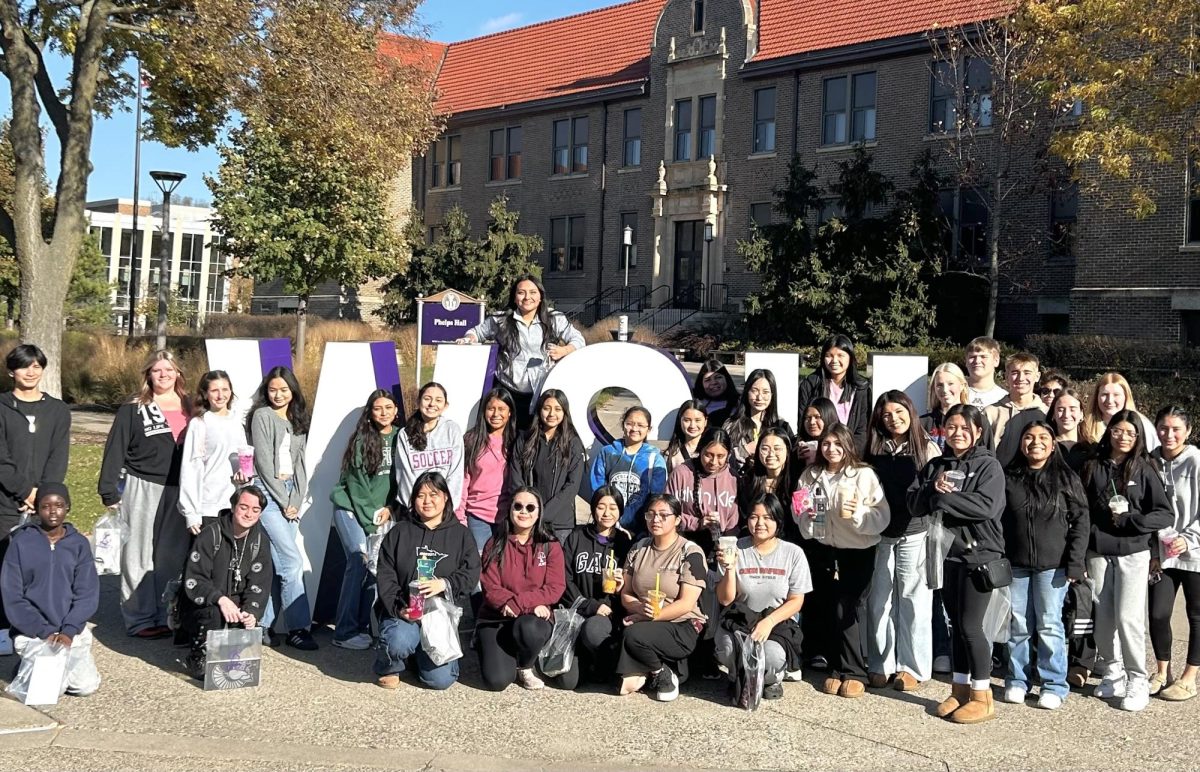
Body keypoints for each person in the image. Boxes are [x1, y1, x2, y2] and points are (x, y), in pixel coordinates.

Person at [908, 404, 1005, 724]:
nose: (958, 433)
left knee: (971, 627)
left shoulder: (989, 466)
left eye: (965, 428)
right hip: (947, 554)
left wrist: (942, 499)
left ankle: (983, 695)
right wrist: (931, 490)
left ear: (978, 432)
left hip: (980, 555)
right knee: (955, 626)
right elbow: (914, 503)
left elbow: (986, 506)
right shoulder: (937, 465)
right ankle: (960, 689)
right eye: (952, 427)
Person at [1081, 409, 1172, 712]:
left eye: (1130, 433)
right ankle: (1113, 670)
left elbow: (1163, 513)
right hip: (1098, 552)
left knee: (1128, 619)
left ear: (1138, 438)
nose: (1123, 437)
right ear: (1109, 432)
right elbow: (1083, 511)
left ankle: (1137, 679)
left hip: (1133, 552)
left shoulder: (1144, 468)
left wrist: (1134, 520)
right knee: (1103, 620)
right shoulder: (1093, 466)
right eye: (1117, 431)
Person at [98, 350, 190, 639]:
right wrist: (108, 489)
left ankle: (165, 614)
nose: (163, 375)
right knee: (138, 552)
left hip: (180, 488)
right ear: (148, 375)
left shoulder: (191, 406)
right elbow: (115, 448)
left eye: (169, 370)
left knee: (171, 556)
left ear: (178, 373)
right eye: (157, 370)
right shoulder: (135, 407)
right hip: (142, 484)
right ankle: (139, 617)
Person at [795, 424, 889, 698]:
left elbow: (882, 517)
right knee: (827, 607)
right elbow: (799, 511)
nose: (831, 449)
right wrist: (808, 519)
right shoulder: (809, 476)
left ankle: (855, 671)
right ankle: (836, 668)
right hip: (824, 550)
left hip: (857, 550)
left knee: (849, 608)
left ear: (848, 445)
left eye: (838, 444)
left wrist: (858, 513)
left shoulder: (864, 475)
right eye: (826, 444)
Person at [1001, 422, 1089, 711]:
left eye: (1042, 438)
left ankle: (1054, 684)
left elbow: (1080, 522)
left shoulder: (1066, 478)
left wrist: (1075, 563)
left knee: (1049, 625)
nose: (1035, 442)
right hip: (1015, 565)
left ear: (1053, 445)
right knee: (1018, 625)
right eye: (1028, 437)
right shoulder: (1008, 477)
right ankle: (1017, 680)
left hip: (1054, 567)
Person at [374, 472, 480, 690]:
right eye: (420, 496)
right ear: (413, 500)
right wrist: (398, 607)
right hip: (405, 613)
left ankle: (416, 657)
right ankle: (390, 664)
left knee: (440, 681)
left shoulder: (461, 535)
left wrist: (445, 583)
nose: (427, 501)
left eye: (434, 494)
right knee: (399, 641)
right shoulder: (400, 532)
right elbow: (385, 575)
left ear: (446, 498)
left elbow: (471, 573)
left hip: (439, 615)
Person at [864, 391, 940, 692]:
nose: (893, 419)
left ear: (911, 412)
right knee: (879, 601)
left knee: (913, 601)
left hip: (915, 532)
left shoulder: (928, 449)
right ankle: (881, 664)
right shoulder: (872, 448)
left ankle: (912, 667)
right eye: (886, 414)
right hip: (880, 533)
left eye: (899, 412)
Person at [0, 344, 70, 656]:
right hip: (5, 501)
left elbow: (58, 458)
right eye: (24, 366)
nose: (31, 372)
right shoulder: (2, 406)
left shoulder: (57, 410)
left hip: (43, 505)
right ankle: (2, 630)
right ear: (11, 371)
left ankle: (33, 629)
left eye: (36, 366)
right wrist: (25, 491)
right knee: (4, 568)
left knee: (37, 570)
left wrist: (42, 497)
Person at [1, 483, 99, 697]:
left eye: (59, 505)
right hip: (35, 632)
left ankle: (45, 668)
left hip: (70, 632)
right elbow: (13, 596)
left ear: (68, 508)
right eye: (46, 506)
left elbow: (87, 593)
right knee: (48, 692)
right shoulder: (21, 542)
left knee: (85, 687)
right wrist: (44, 631)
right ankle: (25, 666)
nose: (53, 511)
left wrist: (69, 630)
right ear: (36, 510)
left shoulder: (79, 544)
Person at [457, 274, 586, 426]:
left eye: (532, 292)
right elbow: (476, 333)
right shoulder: (501, 319)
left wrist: (564, 350)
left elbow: (579, 340)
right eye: (521, 292)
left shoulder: (554, 318)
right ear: (514, 297)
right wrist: (468, 339)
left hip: (541, 389)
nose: (527, 297)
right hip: (508, 389)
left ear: (540, 296)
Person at [246, 366, 315, 651]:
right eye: (273, 389)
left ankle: (263, 625)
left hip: (289, 496)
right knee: (292, 561)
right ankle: (299, 628)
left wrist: (297, 499)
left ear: (293, 391)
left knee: (277, 563)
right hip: (268, 495)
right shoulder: (262, 416)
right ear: (266, 391)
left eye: (284, 389)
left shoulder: (297, 419)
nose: (278, 394)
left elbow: (299, 463)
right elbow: (263, 463)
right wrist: (284, 502)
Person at [715, 493, 809, 702]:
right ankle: (737, 675)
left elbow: (796, 600)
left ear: (778, 521)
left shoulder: (793, 553)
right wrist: (729, 568)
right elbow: (725, 600)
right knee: (728, 650)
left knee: (772, 656)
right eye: (754, 517)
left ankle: (771, 678)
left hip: (776, 623)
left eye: (767, 518)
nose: (760, 523)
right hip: (740, 620)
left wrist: (769, 622)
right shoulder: (735, 548)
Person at [617, 494, 707, 702]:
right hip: (643, 619)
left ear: (677, 520)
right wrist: (639, 608)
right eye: (651, 514)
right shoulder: (639, 548)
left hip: (680, 623)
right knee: (622, 685)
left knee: (633, 635)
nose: (655, 520)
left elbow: (687, 603)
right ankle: (648, 671)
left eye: (663, 515)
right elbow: (626, 593)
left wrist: (649, 617)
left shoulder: (690, 551)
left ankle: (660, 673)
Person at [329, 389, 400, 650]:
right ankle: (344, 631)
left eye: (388, 407)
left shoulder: (399, 438)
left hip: (382, 513)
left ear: (396, 410)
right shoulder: (361, 440)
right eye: (377, 408)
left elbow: (400, 482)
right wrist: (372, 522)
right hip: (351, 509)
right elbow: (356, 486)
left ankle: (360, 627)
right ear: (370, 413)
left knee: (373, 568)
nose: (383, 412)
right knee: (358, 561)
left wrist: (391, 509)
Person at [178, 486, 273, 680]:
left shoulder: (260, 541)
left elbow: (260, 583)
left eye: (255, 510)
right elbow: (194, 579)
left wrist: (252, 612)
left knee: (247, 622)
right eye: (244, 507)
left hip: (236, 605)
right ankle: (197, 655)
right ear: (233, 507)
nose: (249, 514)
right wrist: (220, 599)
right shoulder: (210, 535)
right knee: (215, 613)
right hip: (203, 603)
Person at [477, 487, 566, 691]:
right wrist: (515, 603)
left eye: (530, 507)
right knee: (497, 681)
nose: (523, 512)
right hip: (497, 617)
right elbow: (490, 586)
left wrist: (519, 603)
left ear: (539, 512)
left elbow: (555, 587)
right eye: (518, 506)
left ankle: (525, 665)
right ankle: (493, 647)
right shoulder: (495, 543)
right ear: (509, 510)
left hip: (530, 620)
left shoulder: (550, 545)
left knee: (528, 628)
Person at [557, 486, 634, 689]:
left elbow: (632, 584)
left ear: (620, 511)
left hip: (607, 614)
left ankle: (602, 664)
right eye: (601, 507)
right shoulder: (577, 536)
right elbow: (564, 578)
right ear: (592, 509)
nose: (607, 513)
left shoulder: (624, 542)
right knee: (568, 682)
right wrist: (589, 606)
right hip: (578, 610)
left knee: (594, 630)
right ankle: (585, 658)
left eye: (613, 507)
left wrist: (620, 586)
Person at [1149, 406, 1200, 701]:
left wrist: (1190, 538)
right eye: (1164, 428)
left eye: (1176, 429)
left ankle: (1189, 678)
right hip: (1162, 553)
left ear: (1188, 431)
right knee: (1157, 613)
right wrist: (1153, 547)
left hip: (1193, 551)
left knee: (1196, 615)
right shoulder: (1151, 460)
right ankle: (1161, 671)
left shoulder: (1195, 461)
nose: (1169, 434)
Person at [508, 389, 585, 543]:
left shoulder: (573, 443)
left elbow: (572, 486)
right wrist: (530, 510)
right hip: (527, 518)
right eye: (546, 408)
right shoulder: (525, 439)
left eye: (557, 409)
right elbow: (516, 476)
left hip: (559, 523)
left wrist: (543, 514)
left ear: (565, 412)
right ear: (539, 410)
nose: (551, 414)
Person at [178, 371, 247, 537]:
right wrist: (191, 513)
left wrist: (245, 477)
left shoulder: (237, 422)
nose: (220, 395)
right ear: (205, 394)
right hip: (207, 507)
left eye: (225, 389)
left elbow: (244, 460)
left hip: (233, 505)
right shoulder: (199, 423)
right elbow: (191, 468)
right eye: (214, 390)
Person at [589, 406, 667, 534]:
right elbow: (597, 489)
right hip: (609, 526)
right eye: (629, 424)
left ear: (649, 429)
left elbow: (656, 497)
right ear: (623, 425)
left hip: (641, 528)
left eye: (641, 425)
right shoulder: (608, 453)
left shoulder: (655, 458)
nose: (635, 429)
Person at [456, 387, 516, 552]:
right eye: (491, 408)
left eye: (501, 409)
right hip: (477, 517)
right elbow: (463, 481)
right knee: (479, 567)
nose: (496, 414)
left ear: (510, 412)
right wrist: (460, 517)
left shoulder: (517, 442)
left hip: (508, 518)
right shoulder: (471, 440)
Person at [667, 427, 738, 556]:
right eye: (708, 455)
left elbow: (734, 523)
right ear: (700, 450)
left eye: (720, 456)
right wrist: (698, 523)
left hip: (719, 549)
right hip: (683, 544)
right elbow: (667, 513)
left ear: (729, 454)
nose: (714, 462)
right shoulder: (682, 473)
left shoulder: (733, 479)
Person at [395, 382, 464, 512]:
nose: (432, 404)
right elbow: (404, 475)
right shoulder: (405, 434)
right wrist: (417, 508)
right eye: (427, 399)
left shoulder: (452, 430)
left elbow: (456, 473)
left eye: (438, 400)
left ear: (445, 406)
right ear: (418, 401)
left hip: (444, 511)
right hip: (415, 510)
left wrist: (446, 508)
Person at [798, 335, 870, 453]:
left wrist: (846, 453)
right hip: (817, 453)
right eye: (829, 356)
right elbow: (803, 423)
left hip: (849, 454)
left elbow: (862, 431)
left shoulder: (861, 388)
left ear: (850, 358)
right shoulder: (811, 384)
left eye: (840, 355)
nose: (834, 361)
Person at [983, 352, 1047, 466]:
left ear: (1037, 376)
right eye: (1015, 373)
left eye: (1027, 373)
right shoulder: (991, 412)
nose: (1020, 378)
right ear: (1006, 376)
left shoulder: (1046, 413)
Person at [921, 363, 992, 453]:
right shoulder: (922, 424)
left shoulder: (979, 420)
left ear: (962, 385)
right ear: (934, 388)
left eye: (950, 384)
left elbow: (989, 458)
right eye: (939, 385)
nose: (945, 390)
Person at [724, 369, 788, 466]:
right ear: (747, 392)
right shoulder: (732, 425)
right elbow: (719, 457)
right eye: (754, 391)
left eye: (765, 392)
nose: (759, 397)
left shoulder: (781, 424)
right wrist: (744, 450)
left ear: (772, 395)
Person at [1081, 373, 1158, 450]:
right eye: (1104, 394)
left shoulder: (1143, 425)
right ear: (1096, 397)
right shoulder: (1085, 426)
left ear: (1126, 397)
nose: (1110, 400)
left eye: (1116, 395)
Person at [1049, 389, 1090, 472]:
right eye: (1060, 409)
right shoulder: (1046, 447)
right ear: (1053, 414)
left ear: (1081, 414)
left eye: (1072, 409)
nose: (1066, 415)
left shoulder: (1092, 449)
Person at [691, 358, 739, 428]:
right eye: (707, 380)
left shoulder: (739, 404)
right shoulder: (694, 402)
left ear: (727, 379)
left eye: (718, 377)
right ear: (701, 383)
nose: (713, 382)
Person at [963, 336, 1008, 408]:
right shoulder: (954, 393)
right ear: (966, 361)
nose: (977, 361)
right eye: (972, 357)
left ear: (996, 361)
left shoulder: (1004, 398)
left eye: (983, 356)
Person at [665, 399, 708, 472]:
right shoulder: (671, 454)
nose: (692, 425)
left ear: (705, 421)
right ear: (680, 421)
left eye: (697, 420)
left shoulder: (712, 449)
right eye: (687, 420)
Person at [796, 397, 838, 469]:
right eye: (808, 417)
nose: (812, 422)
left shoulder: (840, 444)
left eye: (817, 417)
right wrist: (796, 459)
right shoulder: (797, 445)